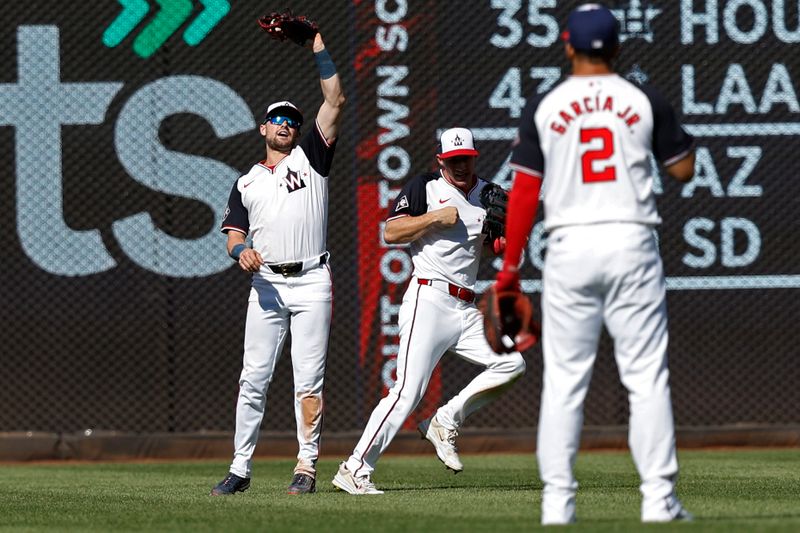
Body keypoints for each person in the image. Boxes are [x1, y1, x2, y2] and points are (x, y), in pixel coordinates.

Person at [495, 3, 696, 525]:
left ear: (567, 45)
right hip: (631, 239)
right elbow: (684, 169)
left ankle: (557, 505)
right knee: (646, 375)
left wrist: (509, 269)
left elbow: (524, 193)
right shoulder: (642, 97)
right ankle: (658, 501)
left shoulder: (545, 103)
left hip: (570, 245)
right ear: (618, 46)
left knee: (564, 379)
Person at [331, 127, 526, 495]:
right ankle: (354, 468)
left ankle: (445, 419)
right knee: (407, 391)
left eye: (466, 159)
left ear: (474, 157)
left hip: (465, 307)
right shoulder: (424, 187)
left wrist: (499, 243)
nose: (461, 166)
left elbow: (483, 247)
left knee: (512, 363)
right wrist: (434, 218)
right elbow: (391, 232)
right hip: (429, 299)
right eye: (453, 161)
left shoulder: (486, 193)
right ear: (441, 160)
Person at [211, 29, 345, 496]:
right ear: (263, 129)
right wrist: (238, 251)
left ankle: (306, 467)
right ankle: (240, 468)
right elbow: (232, 234)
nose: (285, 124)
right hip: (266, 286)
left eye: (291, 119)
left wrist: (317, 45)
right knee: (253, 379)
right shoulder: (246, 181)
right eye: (277, 120)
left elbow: (335, 98)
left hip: (311, 281)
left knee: (308, 381)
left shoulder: (311, 158)